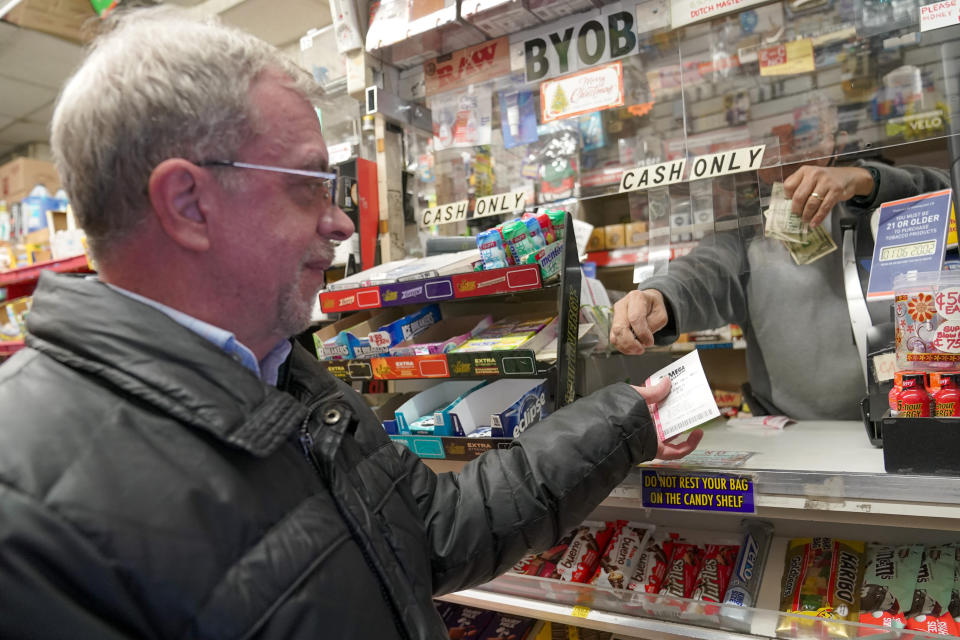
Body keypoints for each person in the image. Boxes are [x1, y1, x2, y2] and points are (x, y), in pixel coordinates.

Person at [0, 8, 701, 639]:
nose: (339, 223)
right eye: (308, 185)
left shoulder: (283, 373)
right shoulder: (27, 515)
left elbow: (431, 531)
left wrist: (623, 422)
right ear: (188, 203)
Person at [610, 97, 950, 420]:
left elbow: (944, 191)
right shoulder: (746, 233)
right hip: (800, 436)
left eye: (804, 137)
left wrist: (864, 179)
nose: (788, 153)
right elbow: (701, 271)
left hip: (914, 414)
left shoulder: (881, 199)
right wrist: (658, 296)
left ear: (838, 141)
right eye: (773, 142)